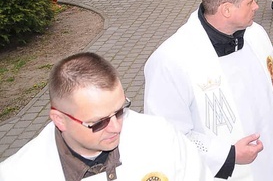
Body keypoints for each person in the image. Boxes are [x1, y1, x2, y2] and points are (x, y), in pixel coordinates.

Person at [144, 0, 273, 180]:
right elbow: (167, 135)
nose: (257, 6)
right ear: (226, 10)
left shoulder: (256, 35)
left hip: (272, 162)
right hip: (222, 172)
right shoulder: (170, 61)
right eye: (250, 2)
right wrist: (228, 155)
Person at [0, 52, 209, 180]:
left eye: (119, 111)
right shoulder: (18, 174)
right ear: (59, 119)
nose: (116, 127)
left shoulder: (161, 136)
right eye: (98, 123)